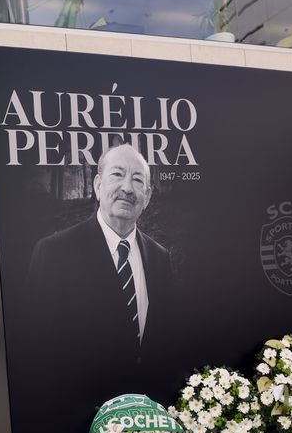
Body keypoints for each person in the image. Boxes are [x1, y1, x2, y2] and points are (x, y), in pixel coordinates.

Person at [22, 143, 176, 389]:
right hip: (81, 416)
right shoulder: (54, 253)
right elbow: (35, 349)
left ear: (146, 197)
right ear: (97, 185)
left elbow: (167, 343)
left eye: (137, 180)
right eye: (117, 174)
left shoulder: (160, 258)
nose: (127, 188)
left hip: (147, 414)